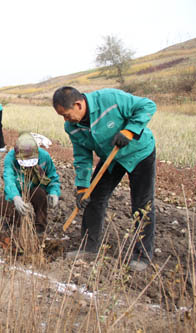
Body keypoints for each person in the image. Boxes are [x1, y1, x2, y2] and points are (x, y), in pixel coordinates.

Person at [52, 86, 156, 272]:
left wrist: (130, 131)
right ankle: (89, 248)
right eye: (62, 117)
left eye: (66, 115)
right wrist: (83, 187)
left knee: (142, 204)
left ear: (78, 104)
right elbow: (82, 156)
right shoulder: (72, 127)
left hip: (139, 153)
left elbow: (147, 105)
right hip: (111, 158)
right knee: (94, 198)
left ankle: (142, 255)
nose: (66, 120)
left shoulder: (110, 99)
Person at [0, 133, 60, 233]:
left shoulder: (44, 156)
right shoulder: (10, 158)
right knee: (0, 205)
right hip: (18, 189)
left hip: (35, 188)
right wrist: (15, 197)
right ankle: (19, 224)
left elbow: (53, 177)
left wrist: (54, 192)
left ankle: (39, 227)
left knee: (40, 194)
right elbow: (9, 180)